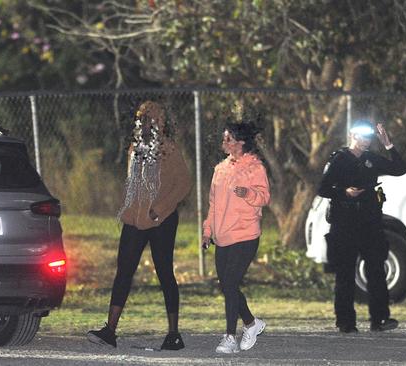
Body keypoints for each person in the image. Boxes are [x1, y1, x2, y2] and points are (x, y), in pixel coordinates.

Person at [87, 101, 192, 350]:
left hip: (161, 220)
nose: (144, 123)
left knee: (165, 272)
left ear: (159, 122)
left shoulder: (169, 150)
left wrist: (159, 209)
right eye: (141, 119)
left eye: (149, 119)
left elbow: (184, 184)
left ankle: (174, 334)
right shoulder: (134, 148)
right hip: (135, 220)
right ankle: (109, 331)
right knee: (124, 271)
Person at [319, 120, 406, 333]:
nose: (366, 140)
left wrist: (388, 145)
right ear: (352, 135)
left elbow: (399, 168)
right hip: (345, 223)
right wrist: (344, 193)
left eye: (370, 137)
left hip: (370, 223)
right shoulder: (339, 158)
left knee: (376, 270)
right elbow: (323, 188)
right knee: (345, 273)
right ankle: (346, 321)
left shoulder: (371, 159)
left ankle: (380, 319)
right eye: (363, 136)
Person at [201, 119, 270, 354]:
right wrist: (207, 231)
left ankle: (229, 337)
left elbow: (263, 197)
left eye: (228, 138)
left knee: (230, 284)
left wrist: (248, 193)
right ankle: (251, 323)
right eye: (224, 137)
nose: (224, 141)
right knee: (227, 286)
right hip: (223, 236)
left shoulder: (255, 168)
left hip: (246, 235)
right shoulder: (220, 169)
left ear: (240, 142)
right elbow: (213, 203)